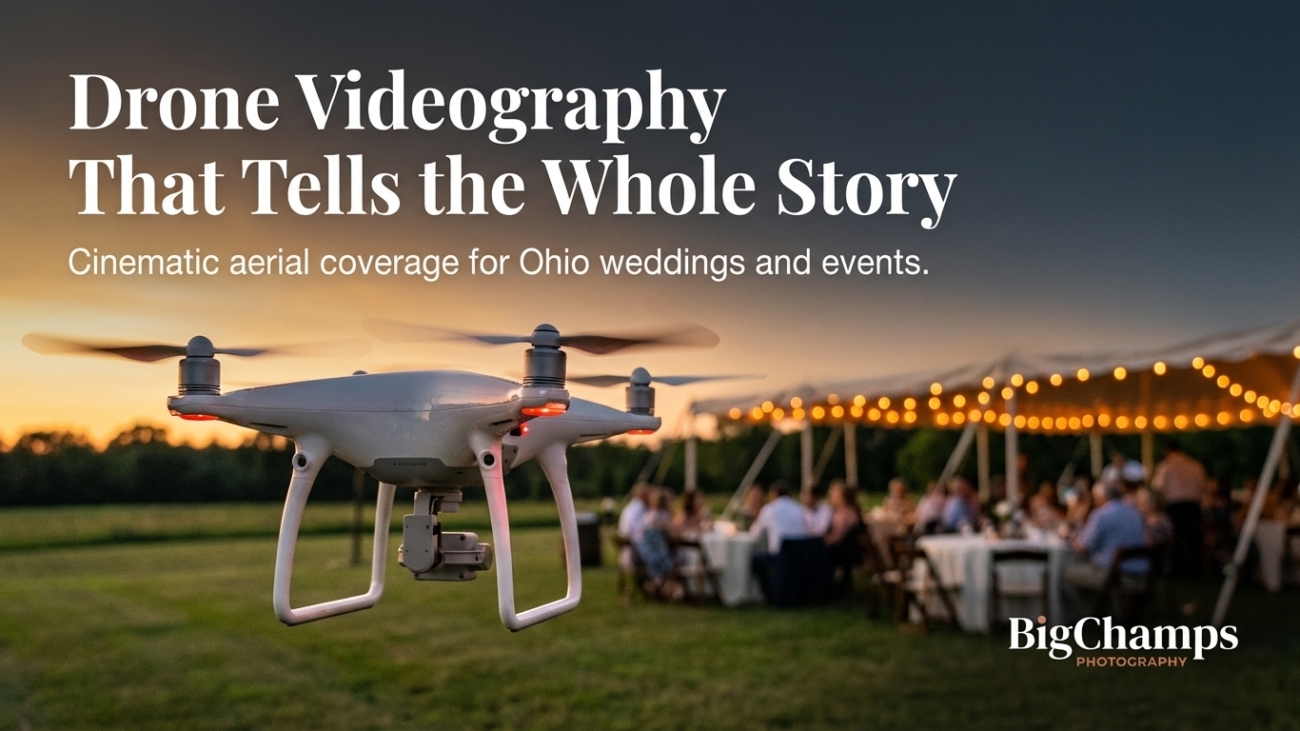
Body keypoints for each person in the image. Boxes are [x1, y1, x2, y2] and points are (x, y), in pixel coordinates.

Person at [1065, 481, 1149, 615]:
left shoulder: (1102, 515)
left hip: (1115, 576)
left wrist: (1069, 537)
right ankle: (1109, 611)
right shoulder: (1135, 514)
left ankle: (1087, 615)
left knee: (1066, 576)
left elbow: (1083, 547)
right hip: (1141, 573)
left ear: (1101, 497)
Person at [749, 481, 813, 600]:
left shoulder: (770, 509)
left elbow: (755, 534)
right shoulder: (799, 509)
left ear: (774, 494)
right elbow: (807, 531)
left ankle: (768, 593)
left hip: (780, 555)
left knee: (755, 561)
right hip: (801, 554)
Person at [1152, 439, 1206, 578]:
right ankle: (1196, 570)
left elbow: (1157, 487)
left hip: (1175, 506)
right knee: (1194, 539)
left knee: (1175, 538)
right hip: (1193, 506)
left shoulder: (1165, 466)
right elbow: (1202, 486)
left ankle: (1178, 570)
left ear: (1167, 450)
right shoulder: (1194, 465)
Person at [636, 488, 683, 601]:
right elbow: (675, 531)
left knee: (658, 569)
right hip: (656, 549)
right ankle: (662, 590)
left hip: (644, 549)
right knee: (669, 564)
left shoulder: (650, 514)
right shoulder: (662, 516)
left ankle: (657, 589)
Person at [824, 481, 864, 596]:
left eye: (833, 494)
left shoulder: (844, 513)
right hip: (849, 551)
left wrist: (822, 541)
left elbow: (837, 537)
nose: (830, 496)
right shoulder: (849, 511)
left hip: (846, 552)